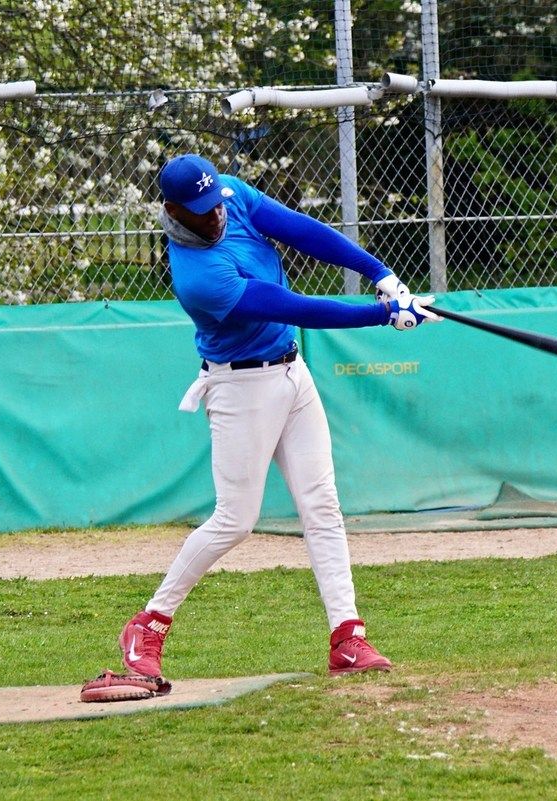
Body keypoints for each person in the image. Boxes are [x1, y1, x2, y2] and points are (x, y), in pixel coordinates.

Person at [118, 153, 439, 680]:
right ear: (174, 211)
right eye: (201, 210)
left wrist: (379, 273)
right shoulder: (199, 276)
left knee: (322, 505)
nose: (215, 214)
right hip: (240, 388)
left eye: (215, 201)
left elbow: (303, 231)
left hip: (292, 372)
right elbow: (292, 305)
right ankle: (149, 623)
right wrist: (382, 315)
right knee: (235, 520)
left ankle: (348, 637)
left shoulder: (230, 194)